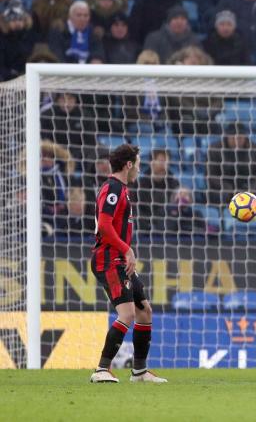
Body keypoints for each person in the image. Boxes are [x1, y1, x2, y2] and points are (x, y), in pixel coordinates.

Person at [89, 144, 167, 384]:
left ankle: (140, 372)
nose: (140, 169)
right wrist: (126, 249)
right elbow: (104, 225)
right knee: (128, 313)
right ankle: (102, 369)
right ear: (129, 164)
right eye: (139, 164)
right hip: (108, 259)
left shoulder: (121, 189)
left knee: (144, 310)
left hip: (119, 260)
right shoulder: (112, 188)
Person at [205, 123, 256, 207]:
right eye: (233, 137)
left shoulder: (254, 149)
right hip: (222, 187)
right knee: (215, 197)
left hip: (247, 187)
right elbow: (210, 175)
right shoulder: (215, 149)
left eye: (240, 137)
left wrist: (250, 190)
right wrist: (229, 189)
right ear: (227, 137)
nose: (237, 141)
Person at [0, 0, 39, 80]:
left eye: (20, 19)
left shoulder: (31, 36)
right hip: (6, 81)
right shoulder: (2, 39)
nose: (17, 23)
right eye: (13, 20)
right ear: (7, 21)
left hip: (29, 79)